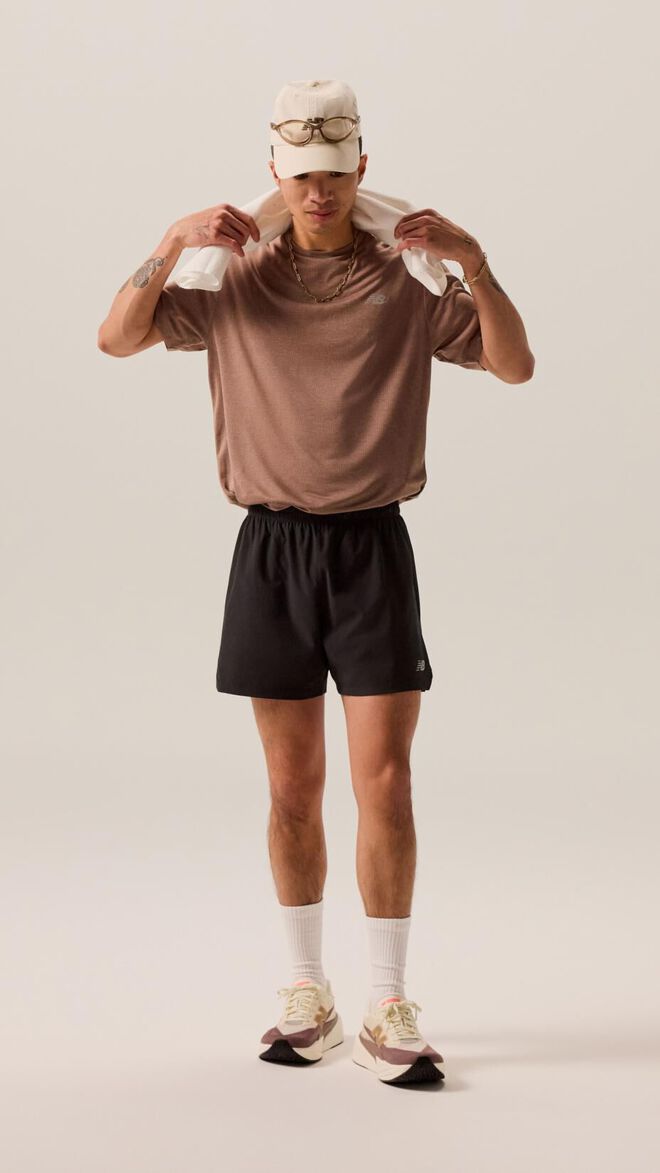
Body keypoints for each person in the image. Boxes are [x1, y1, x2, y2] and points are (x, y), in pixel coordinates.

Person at [97, 78, 535, 1088]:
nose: (319, 191)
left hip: (372, 549)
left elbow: (514, 364)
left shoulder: (406, 279)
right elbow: (117, 336)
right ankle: (307, 992)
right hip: (270, 551)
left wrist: (475, 262)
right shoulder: (232, 277)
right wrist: (168, 242)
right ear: (276, 173)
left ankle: (388, 997)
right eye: (301, 175)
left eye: (335, 173)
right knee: (291, 787)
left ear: (360, 169)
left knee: (386, 780)